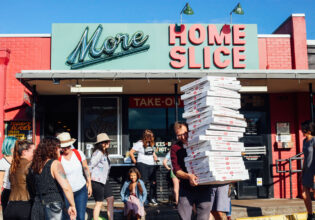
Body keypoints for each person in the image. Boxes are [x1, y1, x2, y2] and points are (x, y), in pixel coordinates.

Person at [170, 121, 213, 220]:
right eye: (179, 135)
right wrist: (189, 176)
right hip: (186, 189)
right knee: (184, 217)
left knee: (203, 217)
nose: (183, 137)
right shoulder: (175, 148)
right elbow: (176, 170)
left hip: (204, 188)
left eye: (185, 133)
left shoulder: (201, 143)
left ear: (189, 131)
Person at [29, 137, 77, 220]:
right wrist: (72, 205)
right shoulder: (55, 164)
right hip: (53, 205)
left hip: (37, 204)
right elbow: (66, 187)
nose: (60, 150)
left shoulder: (35, 165)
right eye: (58, 147)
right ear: (52, 149)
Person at [56, 132, 92, 220]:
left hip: (81, 190)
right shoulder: (58, 158)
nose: (66, 148)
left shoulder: (78, 153)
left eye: (68, 146)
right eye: (63, 147)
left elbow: (86, 168)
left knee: (80, 216)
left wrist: (89, 183)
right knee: (68, 217)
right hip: (66, 193)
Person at [3, 140, 35, 220]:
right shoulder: (29, 165)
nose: (35, 153)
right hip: (25, 206)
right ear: (24, 152)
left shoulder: (13, 165)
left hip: (10, 206)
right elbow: (34, 187)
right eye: (33, 151)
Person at [129, 129, 159, 206]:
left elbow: (153, 153)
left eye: (152, 136)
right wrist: (135, 162)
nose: (152, 138)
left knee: (153, 182)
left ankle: (152, 198)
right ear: (146, 137)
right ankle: (143, 199)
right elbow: (131, 152)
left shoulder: (151, 144)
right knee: (143, 182)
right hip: (142, 164)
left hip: (151, 164)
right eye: (151, 136)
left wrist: (155, 157)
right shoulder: (139, 143)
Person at [89, 133, 114, 220]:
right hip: (97, 181)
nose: (109, 143)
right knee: (99, 202)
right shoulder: (98, 153)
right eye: (107, 141)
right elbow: (90, 166)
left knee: (110, 198)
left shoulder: (105, 153)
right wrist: (89, 182)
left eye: (108, 141)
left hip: (104, 180)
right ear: (102, 143)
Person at [301, 120, 315, 220]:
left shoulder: (314, 140)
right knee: (304, 193)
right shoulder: (304, 141)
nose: (302, 130)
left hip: (314, 170)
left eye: (304, 129)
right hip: (306, 170)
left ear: (309, 130)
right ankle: (310, 215)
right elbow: (305, 157)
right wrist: (302, 170)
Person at [0, 136, 17, 213]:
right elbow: (0, 182)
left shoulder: (18, 160)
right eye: (16, 145)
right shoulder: (2, 162)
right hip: (8, 192)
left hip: (19, 192)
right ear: (10, 146)